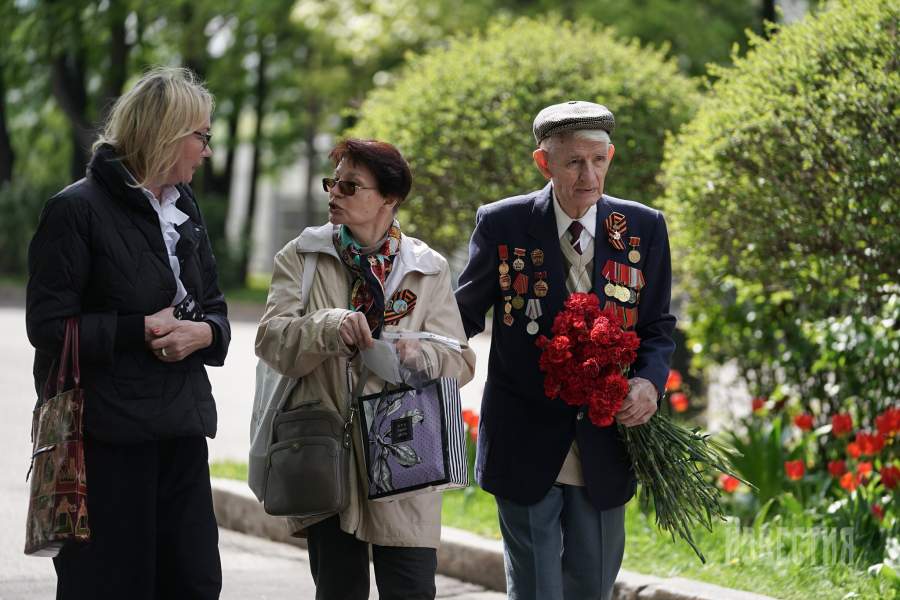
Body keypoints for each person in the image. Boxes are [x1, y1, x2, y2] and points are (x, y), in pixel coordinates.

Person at [454, 101, 676, 600]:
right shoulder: (502, 224)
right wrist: (418, 341)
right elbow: (463, 314)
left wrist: (648, 382)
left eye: (598, 159)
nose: (589, 174)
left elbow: (658, 326)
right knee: (535, 588)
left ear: (611, 157)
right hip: (524, 434)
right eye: (574, 161)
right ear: (543, 162)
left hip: (606, 437)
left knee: (592, 585)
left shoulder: (643, 227)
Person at [26, 67, 230, 599]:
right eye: (201, 136)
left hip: (182, 431)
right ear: (165, 133)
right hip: (105, 441)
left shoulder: (185, 207)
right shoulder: (75, 209)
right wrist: (136, 330)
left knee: (194, 582)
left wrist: (202, 335)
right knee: (111, 585)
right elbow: (46, 326)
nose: (206, 150)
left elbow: (216, 310)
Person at [255, 138, 476, 600]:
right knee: (339, 590)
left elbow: (460, 359)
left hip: (406, 458)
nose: (334, 192)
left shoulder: (428, 268)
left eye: (350, 185)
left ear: (389, 198)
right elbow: (271, 341)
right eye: (332, 181)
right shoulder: (304, 255)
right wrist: (329, 327)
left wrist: (421, 355)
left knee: (412, 589)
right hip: (327, 452)